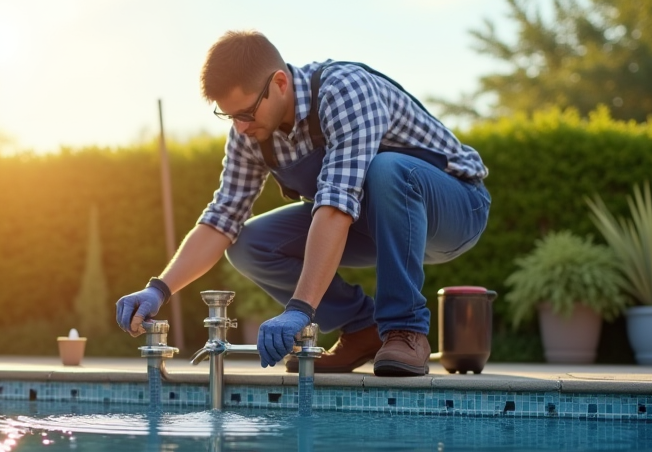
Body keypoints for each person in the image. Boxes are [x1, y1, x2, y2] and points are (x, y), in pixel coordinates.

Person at [115, 31, 491, 376]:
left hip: (455, 209)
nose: (241, 127)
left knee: (385, 169)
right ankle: (363, 329)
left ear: (279, 83)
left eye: (246, 113)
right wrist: (159, 289)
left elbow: (336, 205)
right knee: (248, 244)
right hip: (375, 220)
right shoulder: (250, 134)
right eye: (230, 116)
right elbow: (221, 218)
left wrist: (300, 309)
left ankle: (405, 331)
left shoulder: (344, 90)